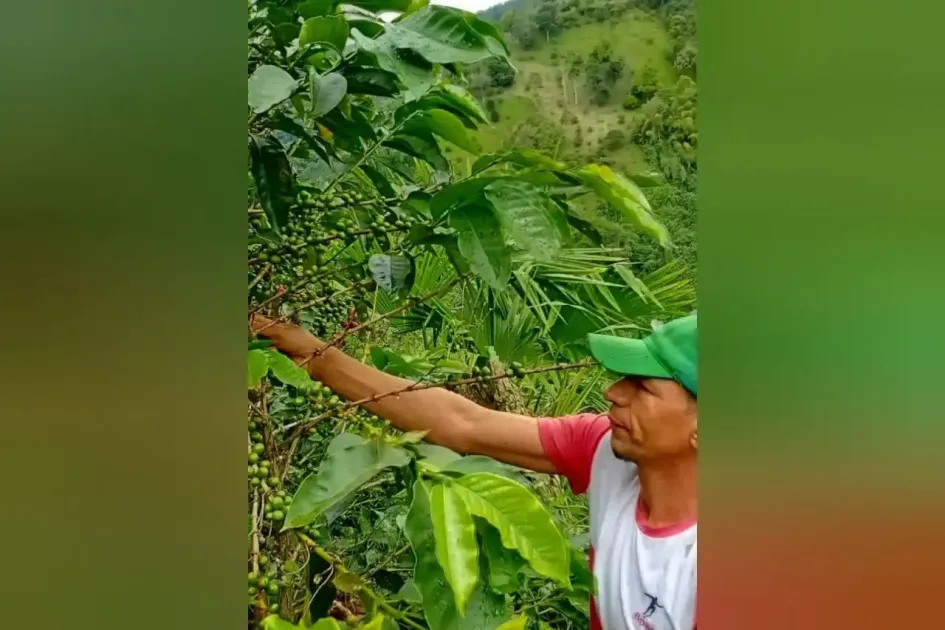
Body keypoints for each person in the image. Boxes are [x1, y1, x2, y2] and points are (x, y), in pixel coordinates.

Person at [250, 312, 698, 630]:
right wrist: (313, 354)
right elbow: (464, 423)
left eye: (642, 387)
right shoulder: (603, 447)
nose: (613, 392)